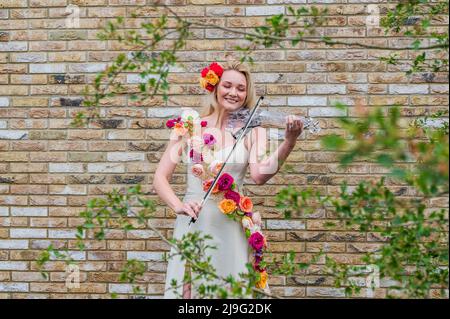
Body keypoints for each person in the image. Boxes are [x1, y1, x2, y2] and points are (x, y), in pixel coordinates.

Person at [153, 60, 304, 298]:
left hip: (231, 226)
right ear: (214, 86)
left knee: (229, 292)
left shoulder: (254, 131)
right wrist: (178, 205)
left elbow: (259, 175)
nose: (233, 93)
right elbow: (160, 177)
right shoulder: (190, 124)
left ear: (247, 93)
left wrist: (289, 142)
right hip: (194, 222)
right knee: (189, 293)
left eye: (241, 88)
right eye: (228, 85)